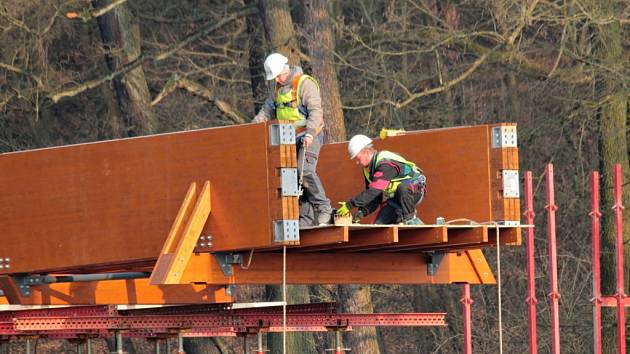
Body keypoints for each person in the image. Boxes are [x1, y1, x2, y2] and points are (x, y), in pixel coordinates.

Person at [253, 53, 333, 226]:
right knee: (292, 176)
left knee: (304, 170)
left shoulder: (304, 84)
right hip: (289, 138)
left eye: (278, 76)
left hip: (310, 134)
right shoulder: (277, 89)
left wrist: (310, 133)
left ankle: (324, 208)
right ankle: (305, 218)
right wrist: (253, 127)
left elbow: (316, 111)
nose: (277, 80)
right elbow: (267, 111)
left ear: (284, 69)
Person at [336, 134, 426, 225]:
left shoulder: (384, 164)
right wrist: (361, 213)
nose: (357, 162)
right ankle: (402, 215)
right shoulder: (368, 170)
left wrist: (350, 204)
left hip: (414, 190)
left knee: (402, 188)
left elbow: (374, 191)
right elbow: (375, 197)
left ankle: (410, 218)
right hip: (395, 199)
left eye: (358, 158)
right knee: (378, 227)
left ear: (366, 152)